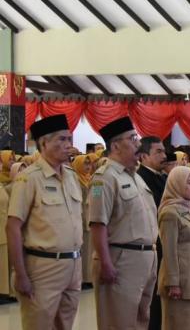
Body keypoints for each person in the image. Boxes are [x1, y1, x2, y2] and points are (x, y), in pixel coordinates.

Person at [6, 115, 83, 329]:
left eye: (69, 139)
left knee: (65, 324)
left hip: (73, 265)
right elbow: (13, 228)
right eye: (61, 140)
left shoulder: (71, 175)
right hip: (42, 267)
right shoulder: (29, 178)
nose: (68, 145)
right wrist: (20, 274)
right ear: (44, 143)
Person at [89, 117, 159, 329]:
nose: (138, 144)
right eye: (132, 138)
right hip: (122, 259)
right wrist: (106, 262)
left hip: (146, 258)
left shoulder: (135, 177)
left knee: (140, 320)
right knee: (118, 322)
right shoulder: (104, 178)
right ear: (116, 145)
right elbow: (97, 224)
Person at [157, 166, 190, 330]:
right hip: (180, 283)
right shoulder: (170, 212)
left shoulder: (189, 208)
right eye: (189, 183)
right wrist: (173, 283)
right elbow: (169, 251)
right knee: (178, 324)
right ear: (176, 184)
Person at [136, 136, 167, 330]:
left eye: (164, 151)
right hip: (151, 244)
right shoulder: (141, 179)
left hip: (164, 244)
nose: (164, 156)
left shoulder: (162, 177)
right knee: (150, 301)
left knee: (160, 298)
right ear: (144, 156)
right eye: (159, 152)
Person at [72, 155, 94, 288]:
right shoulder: (74, 180)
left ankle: (89, 277)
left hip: (90, 217)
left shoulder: (92, 179)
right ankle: (81, 278)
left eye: (89, 164)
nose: (88, 167)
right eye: (85, 164)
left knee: (90, 250)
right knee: (82, 249)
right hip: (80, 218)